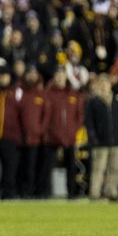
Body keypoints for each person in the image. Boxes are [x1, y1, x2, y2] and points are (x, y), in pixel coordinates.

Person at [84, 74, 118, 201]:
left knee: (114, 169)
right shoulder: (93, 101)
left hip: (116, 141)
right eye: (102, 83)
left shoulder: (116, 101)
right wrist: (92, 135)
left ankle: (112, 192)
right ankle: (95, 193)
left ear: (110, 85)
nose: (104, 86)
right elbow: (88, 121)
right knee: (98, 169)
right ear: (98, 85)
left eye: (106, 83)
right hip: (100, 142)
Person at [42, 70, 84, 198]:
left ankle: (71, 192)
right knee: (46, 166)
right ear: (54, 77)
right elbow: (44, 116)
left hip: (69, 137)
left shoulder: (73, 94)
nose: (60, 78)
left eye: (62, 75)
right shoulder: (48, 94)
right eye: (58, 76)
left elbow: (80, 116)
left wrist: (73, 131)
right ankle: (45, 192)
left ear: (66, 77)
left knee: (71, 167)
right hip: (51, 137)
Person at [0, 62, 24, 199]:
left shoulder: (16, 93)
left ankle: (8, 194)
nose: (3, 79)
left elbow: (22, 114)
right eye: (0, 76)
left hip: (10, 136)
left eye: (5, 76)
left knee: (9, 168)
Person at [17, 66, 50, 199]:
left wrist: (40, 130)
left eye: (34, 74)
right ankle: (22, 191)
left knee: (35, 167)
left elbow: (46, 116)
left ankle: (33, 192)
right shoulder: (20, 92)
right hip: (20, 137)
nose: (31, 76)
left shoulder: (42, 94)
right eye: (29, 73)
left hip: (37, 138)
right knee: (21, 167)